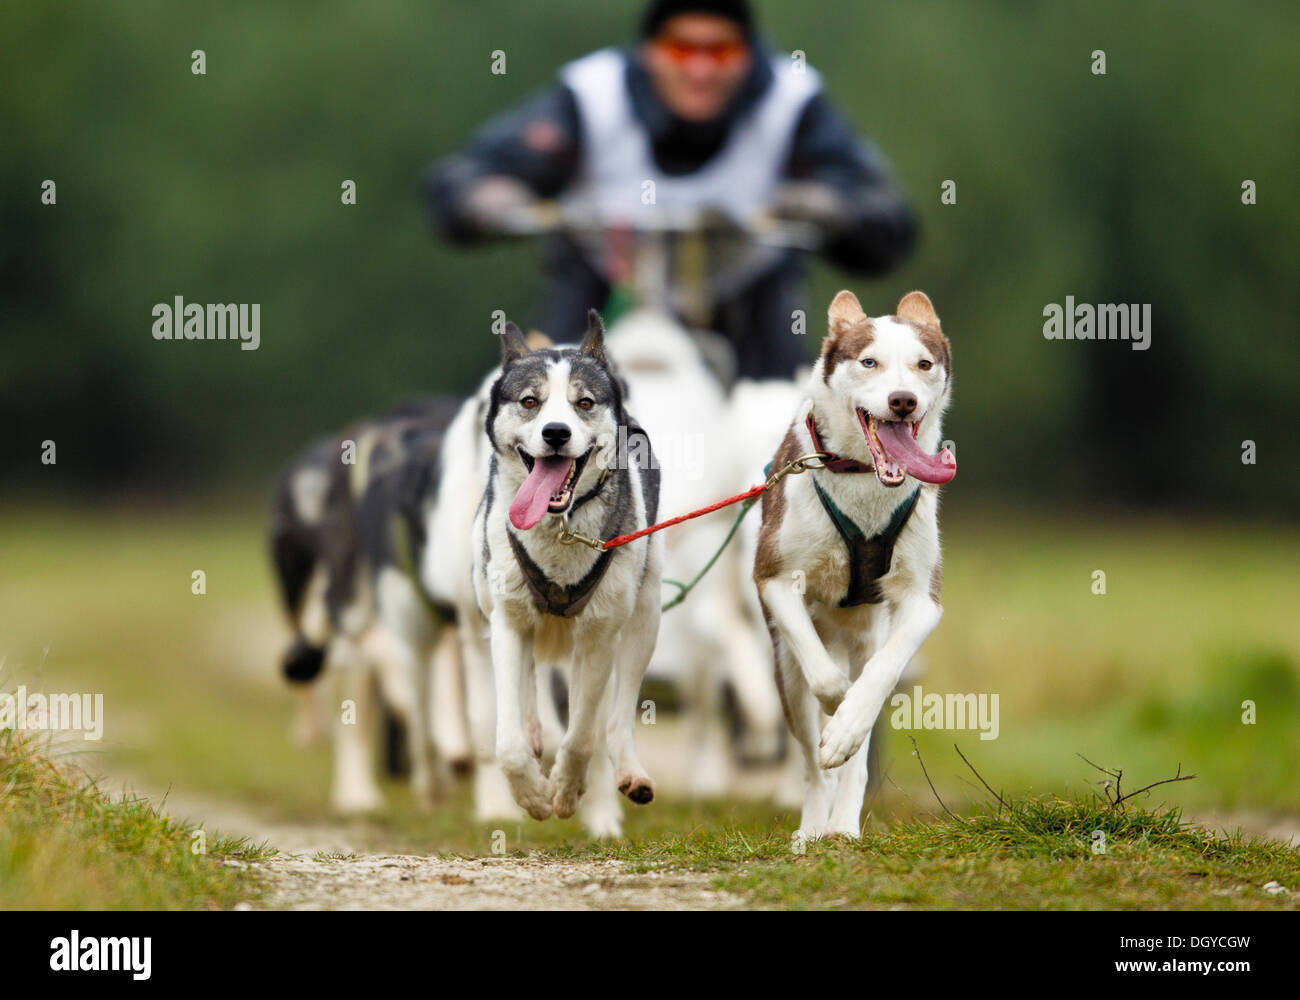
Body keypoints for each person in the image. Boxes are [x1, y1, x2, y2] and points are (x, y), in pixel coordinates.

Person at [423, 0, 918, 379]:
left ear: (748, 54)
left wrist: (826, 205)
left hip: (749, 303)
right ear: (649, 50)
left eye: (720, 51)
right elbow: (466, 178)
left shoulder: (790, 100)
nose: (700, 70)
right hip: (603, 287)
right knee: (534, 398)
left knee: (777, 420)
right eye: (682, 49)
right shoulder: (595, 94)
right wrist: (495, 202)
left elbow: (887, 218)